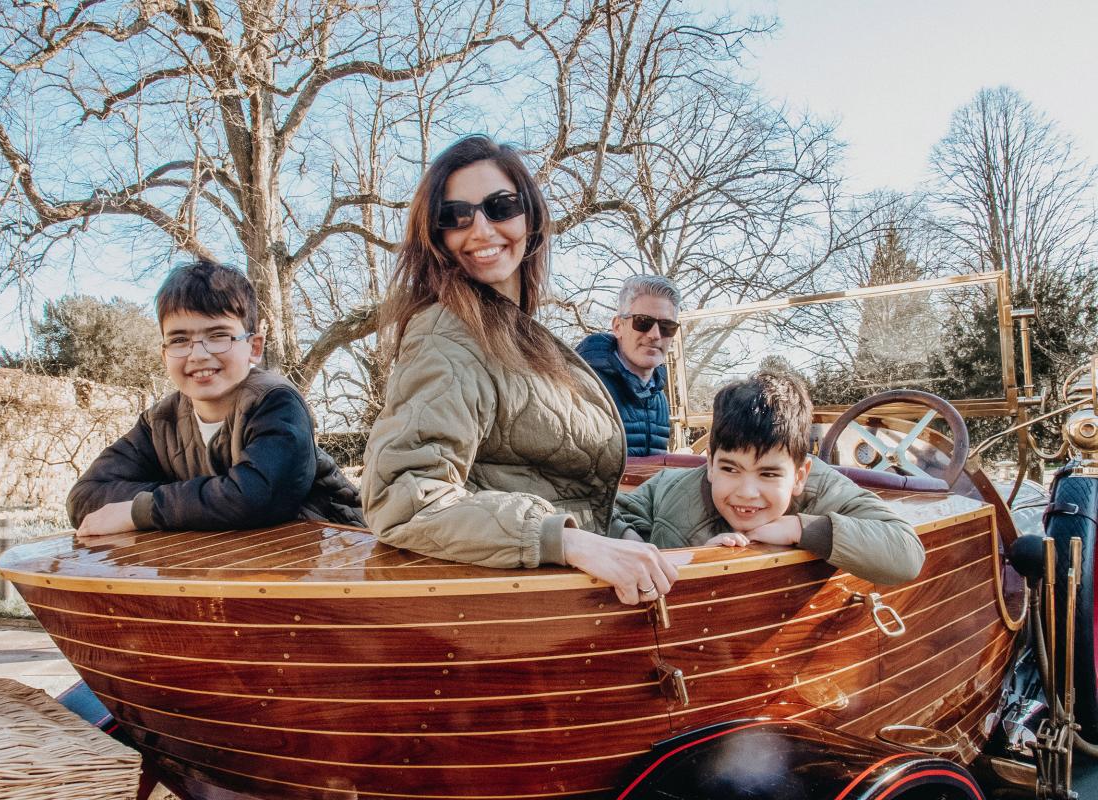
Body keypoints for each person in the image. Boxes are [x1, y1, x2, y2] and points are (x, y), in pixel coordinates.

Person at [360, 135, 678, 606]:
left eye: (500, 206)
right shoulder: (447, 333)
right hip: (530, 603)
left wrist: (621, 537)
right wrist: (565, 541)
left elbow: (564, 485)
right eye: (456, 216)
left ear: (529, 214)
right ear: (437, 236)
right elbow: (403, 496)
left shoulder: (512, 330)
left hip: (578, 586)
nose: (481, 229)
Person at [66, 260, 363, 539]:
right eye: (180, 340)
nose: (198, 354)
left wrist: (143, 509)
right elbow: (84, 498)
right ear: (164, 353)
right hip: (229, 564)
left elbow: (258, 497)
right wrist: (198, 501)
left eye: (219, 335)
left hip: (334, 553)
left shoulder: (276, 402)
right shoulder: (159, 423)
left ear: (254, 347)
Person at [612, 371, 925, 585]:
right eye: (730, 469)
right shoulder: (670, 488)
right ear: (709, 465)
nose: (747, 492)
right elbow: (607, 517)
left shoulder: (823, 489)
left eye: (769, 474)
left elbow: (906, 553)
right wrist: (667, 555)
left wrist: (799, 528)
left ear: (800, 475)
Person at [576, 275, 680, 456]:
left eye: (666, 326)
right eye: (643, 322)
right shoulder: (584, 387)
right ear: (618, 326)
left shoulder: (659, 398)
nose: (655, 334)